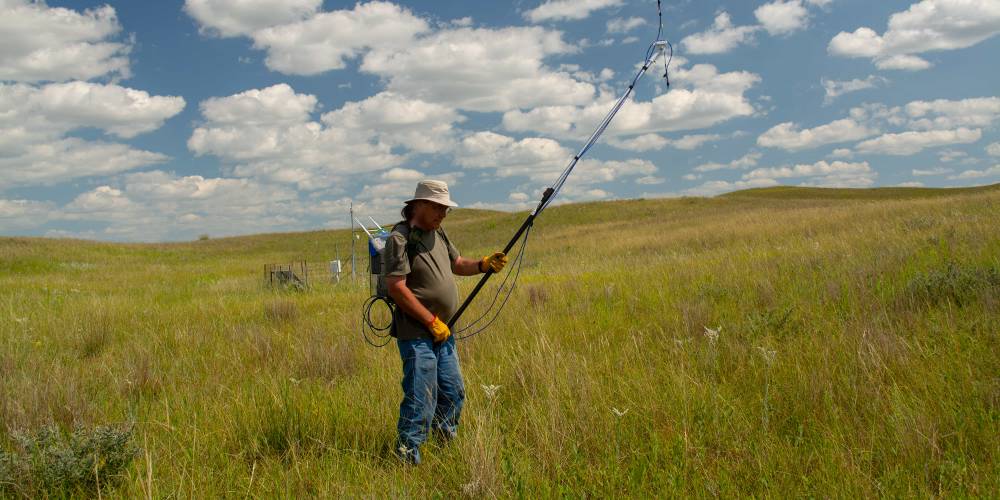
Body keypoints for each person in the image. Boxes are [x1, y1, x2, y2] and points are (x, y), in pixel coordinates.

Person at [383, 180, 508, 465]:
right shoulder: (399, 239)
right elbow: (397, 287)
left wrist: (483, 264)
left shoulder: (439, 233)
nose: (443, 214)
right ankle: (407, 458)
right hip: (417, 334)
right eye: (438, 207)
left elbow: (457, 263)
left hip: (444, 333)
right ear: (418, 205)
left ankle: (444, 450)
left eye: (446, 209)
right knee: (420, 398)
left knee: (453, 393)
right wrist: (430, 321)